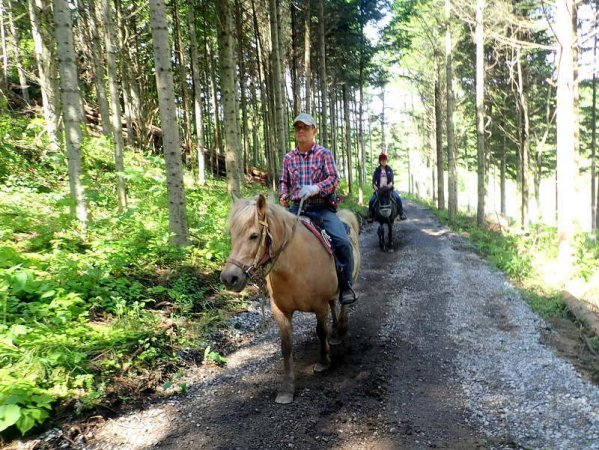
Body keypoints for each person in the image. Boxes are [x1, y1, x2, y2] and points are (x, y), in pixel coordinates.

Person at [279, 113, 357, 305]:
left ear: (314, 130)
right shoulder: (289, 158)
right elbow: (284, 182)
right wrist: (283, 195)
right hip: (297, 208)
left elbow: (333, 179)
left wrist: (316, 188)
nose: (301, 131)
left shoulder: (324, 154)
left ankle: (345, 285)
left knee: (342, 241)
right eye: (298, 128)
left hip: (321, 208)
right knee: (274, 241)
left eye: (305, 127)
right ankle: (277, 286)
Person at [367, 153, 407, 222]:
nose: (384, 162)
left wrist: (390, 185)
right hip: (379, 190)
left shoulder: (389, 170)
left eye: (385, 160)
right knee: (372, 200)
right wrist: (375, 187)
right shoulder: (376, 171)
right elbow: (373, 182)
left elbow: (391, 181)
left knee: (397, 198)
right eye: (382, 160)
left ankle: (401, 213)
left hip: (388, 190)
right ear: (380, 161)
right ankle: (371, 215)